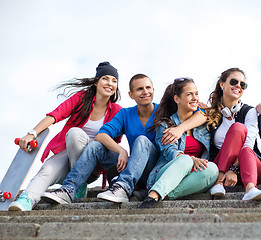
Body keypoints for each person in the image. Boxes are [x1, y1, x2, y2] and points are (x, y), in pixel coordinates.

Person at [40, 74, 206, 204]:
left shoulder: (164, 110)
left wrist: (181, 128)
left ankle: (123, 188)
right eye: (140, 89)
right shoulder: (126, 114)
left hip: (154, 168)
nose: (145, 92)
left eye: (148, 87)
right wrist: (121, 150)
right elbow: (101, 135)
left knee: (142, 140)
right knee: (96, 146)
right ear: (131, 94)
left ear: (154, 90)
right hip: (132, 164)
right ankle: (68, 190)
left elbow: (202, 114)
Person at [8, 62, 122, 211]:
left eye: (114, 81)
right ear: (96, 82)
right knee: (47, 170)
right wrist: (32, 134)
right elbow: (56, 114)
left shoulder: (117, 111)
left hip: (93, 166)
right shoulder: (81, 98)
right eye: (105, 78)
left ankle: (78, 183)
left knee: (76, 133)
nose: (110, 83)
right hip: (69, 155)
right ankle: (27, 199)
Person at [139, 77, 219, 209]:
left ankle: (162, 195)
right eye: (189, 94)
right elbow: (170, 152)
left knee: (212, 169)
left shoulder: (203, 124)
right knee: (185, 159)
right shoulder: (165, 125)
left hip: (191, 177)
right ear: (177, 99)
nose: (195, 98)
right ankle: (154, 193)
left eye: (196, 93)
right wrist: (192, 159)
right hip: (165, 173)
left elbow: (212, 113)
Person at [206, 68, 261, 201]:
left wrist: (233, 169)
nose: (238, 86)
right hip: (218, 168)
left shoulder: (249, 111)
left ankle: (250, 189)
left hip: (248, 168)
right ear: (222, 84)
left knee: (240, 134)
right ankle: (218, 183)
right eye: (234, 81)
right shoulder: (210, 114)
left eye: (242, 84)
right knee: (237, 129)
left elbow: (249, 143)